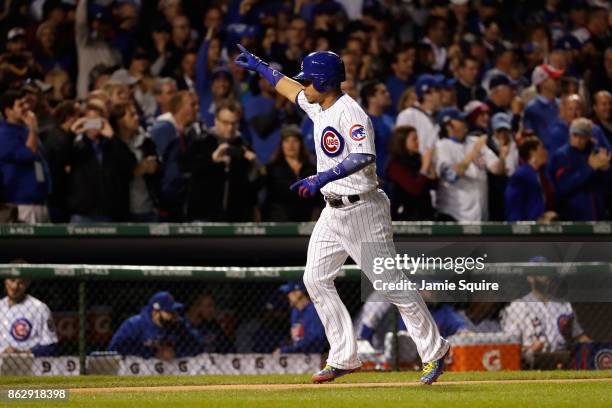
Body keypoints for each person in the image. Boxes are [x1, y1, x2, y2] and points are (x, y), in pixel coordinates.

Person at [235, 45, 449, 385]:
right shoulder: (319, 105)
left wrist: (321, 177)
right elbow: (289, 87)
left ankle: (435, 352)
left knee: (390, 284)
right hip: (333, 211)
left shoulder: (350, 112)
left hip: (363, 208)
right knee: (315, 278)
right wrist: (261, 67)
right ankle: (343, 357)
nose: (304, 85)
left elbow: (363, 155)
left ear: (324, 81)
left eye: (309, 80)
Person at [178, 99, 259, 221]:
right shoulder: (201, 142)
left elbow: (251, 185)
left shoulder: (243, 146)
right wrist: (212, 160)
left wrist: (254, 166)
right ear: (216, 121)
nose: (230, 128)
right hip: (203, 216)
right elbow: (184, 166)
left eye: (234, 123)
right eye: (225, 122)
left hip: (236, 217)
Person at [500, 257, 590, 363]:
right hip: (531, 362)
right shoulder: (518, 306)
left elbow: (579, 336)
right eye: (541, 273)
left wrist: (598, 348)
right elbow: (510, 345)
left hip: (562, 359)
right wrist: (529, 349)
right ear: (530, 277)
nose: (546, 277)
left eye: (548, 273)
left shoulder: (564, 305)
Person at [66, 103, 136, 223]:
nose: (93, 125)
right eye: (89, 120)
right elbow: (59, 159)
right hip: (83, 214)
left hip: (110, 214)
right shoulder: (75, 146)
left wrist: (112, 137)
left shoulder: (113, 145)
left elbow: (130, 163)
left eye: (97, 120)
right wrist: (72, 132)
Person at [434, 107, 505, 221]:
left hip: (479, 215)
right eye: (460, 120)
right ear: (448, 125)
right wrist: (474, 152)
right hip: (454, 216)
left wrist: (503, 155)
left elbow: (496, 169)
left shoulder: (473, 141)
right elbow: (451, 176)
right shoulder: (441, 146)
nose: (465, 123)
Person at [0, 90, 51, 224]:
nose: (26, 108)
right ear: (8, 111)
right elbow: (29, 154)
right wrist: (33, 128)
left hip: (39, 201)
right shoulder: (3, 134)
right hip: (20, 203)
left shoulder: (25, 129)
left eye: (26, 103)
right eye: (20, 105)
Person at [108, 291, 204, 360]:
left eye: (175, 311)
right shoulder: (134, 324)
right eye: (169, 312)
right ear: (155, 312)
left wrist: (175, 352)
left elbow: (197, 346)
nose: (174, 315)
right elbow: (115, 348)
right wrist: (153, 353)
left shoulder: (178, 324)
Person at [150, 90, 199, 221]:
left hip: (178, 203)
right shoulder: (164, 129)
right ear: (179, 108)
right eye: (192, 105)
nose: (197, 108)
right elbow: (156, 165)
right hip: (165, 204)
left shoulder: (185, 132)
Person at [548, 118, 611, 221]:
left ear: (589, 137)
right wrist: (590, 168)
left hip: (598, 215)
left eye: (582, 137)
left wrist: (607, 169)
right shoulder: (562, 156)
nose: (577, 140)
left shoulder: (597, 153)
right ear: (570, 135)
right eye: (575, 135)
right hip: (572, 216)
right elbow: (564, 186)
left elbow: (607, 185)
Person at [109, 102, 160, 222]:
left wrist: (154, 167)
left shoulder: (145, 141)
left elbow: (157, 171)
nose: (137, 118)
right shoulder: (112, 146)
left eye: (137, 114)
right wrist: (136, 170)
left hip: (148, 208)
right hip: (124, 210)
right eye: (132, 115)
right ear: (119, 120)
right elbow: (113, 177)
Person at [262, 125, 321, 221]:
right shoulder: (272, 169)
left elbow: (319, 198)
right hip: (278, 222)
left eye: (295, 141)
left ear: (301, 144)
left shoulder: (312, 169)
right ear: (281, 145)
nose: (291, 145)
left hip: (307, 222)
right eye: (287, 141)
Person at [386, 126, 436, 221]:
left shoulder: (418, 159)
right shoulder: (395, 165)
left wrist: (430, 165)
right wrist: (425, 167)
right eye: (414, 139)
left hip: (425, 214)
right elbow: (414, 189)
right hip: (405, 217)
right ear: (402, 142)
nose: (418, 142)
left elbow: (434, 186)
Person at [41, 100, 80, 223]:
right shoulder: (58, 137)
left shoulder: (63, 134)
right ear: (69, 116)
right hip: (58, 198)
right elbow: (66, 166)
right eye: (79, 115)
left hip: (62, 197)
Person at [0, 275, 58, 356]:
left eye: (21, 283)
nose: (15, 286)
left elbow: (51, 345)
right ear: (5, 280)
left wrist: (22, 354)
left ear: (28, 283)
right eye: (12, 280)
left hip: (27, 364)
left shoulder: (39, 308)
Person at [505, 137, 557, 222]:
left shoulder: (542, 174)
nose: (546, 152)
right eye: (542, 148)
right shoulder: (520, 175)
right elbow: (513, 207)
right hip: (527, 230)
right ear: (532, 152)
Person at [275, 281, 327, 354]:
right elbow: (297, 339)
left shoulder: (314, 310)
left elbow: (315, 340)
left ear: (298, 293)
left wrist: (286, 350)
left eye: (289, 292)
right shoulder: (295, 311)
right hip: (299, 356)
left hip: (316, 356)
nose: (287, 296)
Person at [396, 74, 443, 154]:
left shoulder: (436, 116)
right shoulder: (407, 115)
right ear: (426, 95)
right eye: (437, 90)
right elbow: (401, 147)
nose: (442, 94)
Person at [361, 81, 394, 179]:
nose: (388, 94)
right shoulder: (364, 122)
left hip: (392, 176)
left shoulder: (390, 119)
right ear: (371, 98)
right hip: (377, 178)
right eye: (383, 92)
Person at [523, 64, 563, 140]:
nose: (559, 82)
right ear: (542, 83)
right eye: (555, 79)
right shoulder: (532, 108)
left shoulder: (561, 103)